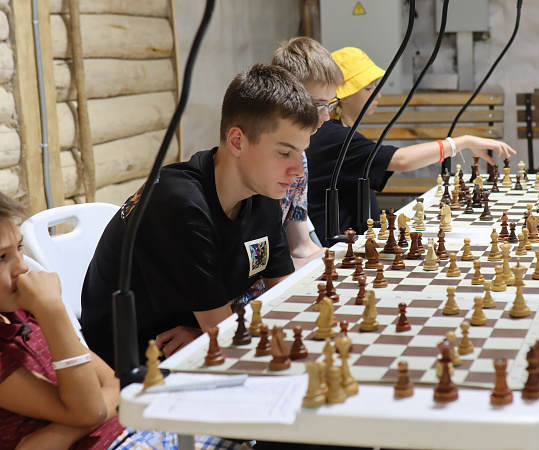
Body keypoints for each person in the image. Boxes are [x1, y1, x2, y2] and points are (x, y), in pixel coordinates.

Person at [80, 64, 319, 366]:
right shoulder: (179, 203)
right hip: (137, 365)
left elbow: (285, 300)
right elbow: (221, 331)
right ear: (237, 141)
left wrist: (210, 333)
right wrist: (214, 333)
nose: (298, 170)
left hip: (196, 340)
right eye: (285, 153)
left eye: (301, 153)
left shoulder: (263, 196)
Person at [0, 194, 250, 450]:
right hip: (117, 442)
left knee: (248, 421)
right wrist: (52, 309)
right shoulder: (38, 310)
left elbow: (115, 385)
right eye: (1, 257)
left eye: (18, 248)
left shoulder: (22, 311)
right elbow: (89, 410)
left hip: (132, 431)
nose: (22, 267)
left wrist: (62, 433)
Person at [306, 47, 517, 245]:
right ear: (342, 96)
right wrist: (462, 142)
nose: (378, 95)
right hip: (335, 247)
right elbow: (401, 160)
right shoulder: (333, 135)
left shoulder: (337, 132)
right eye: (369, 88)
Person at [270, 36, 345, 269]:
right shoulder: (259, 161)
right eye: (318, 105)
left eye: (330, 105)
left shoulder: (300, 156)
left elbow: (301, 246)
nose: (326, 116)